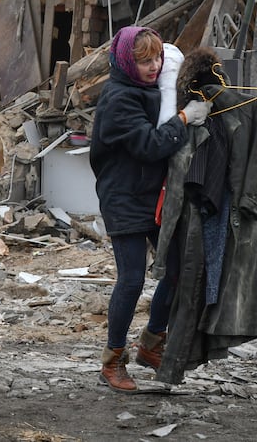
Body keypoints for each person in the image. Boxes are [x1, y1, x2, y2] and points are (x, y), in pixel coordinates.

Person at [89, 26, 211, 392]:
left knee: (176, 270)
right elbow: (149, 145)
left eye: (157, 58)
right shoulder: (118, 98)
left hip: (152, 196)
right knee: (131, 279)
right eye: (144, 60)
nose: (154, 66)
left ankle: (152, 343)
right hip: (123, 196)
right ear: (127, 61)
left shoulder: (151, 90)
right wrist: (185, 119)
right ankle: (113, 361)